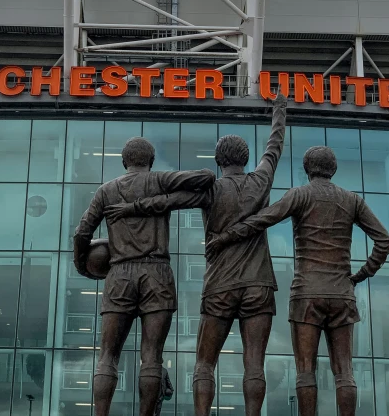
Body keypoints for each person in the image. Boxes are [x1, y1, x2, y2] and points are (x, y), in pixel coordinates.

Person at [105, 94, 287, 416]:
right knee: (254, 363)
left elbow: (166, 201)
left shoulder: (211, 190)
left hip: (219, 285)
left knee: (205, 363)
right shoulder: (261, 181)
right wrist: (279, 109)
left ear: (218, 161)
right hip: (259, 284)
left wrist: (130, 207)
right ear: (244, 159)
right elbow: (274, 146)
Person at [205, 145, 389, 416]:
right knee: (345, 371)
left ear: (307, 169)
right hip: (341, 292)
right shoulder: (352, 200)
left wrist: (225, 237)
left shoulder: (299, 195)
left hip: (306, 295)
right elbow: (384, 240)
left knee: (306, 371)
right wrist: (362, 274)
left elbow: (261, 220)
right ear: (333, 169)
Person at [73, 137, 215, 416]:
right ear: (150, 161)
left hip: (119, 274)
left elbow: (82, 233)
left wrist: (82, 267)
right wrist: (160, 200)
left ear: (125, 161)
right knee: (151, 357)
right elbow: (207, 177)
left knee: (107, 356)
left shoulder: (107, 190)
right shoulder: (159, 180)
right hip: (156, 272)